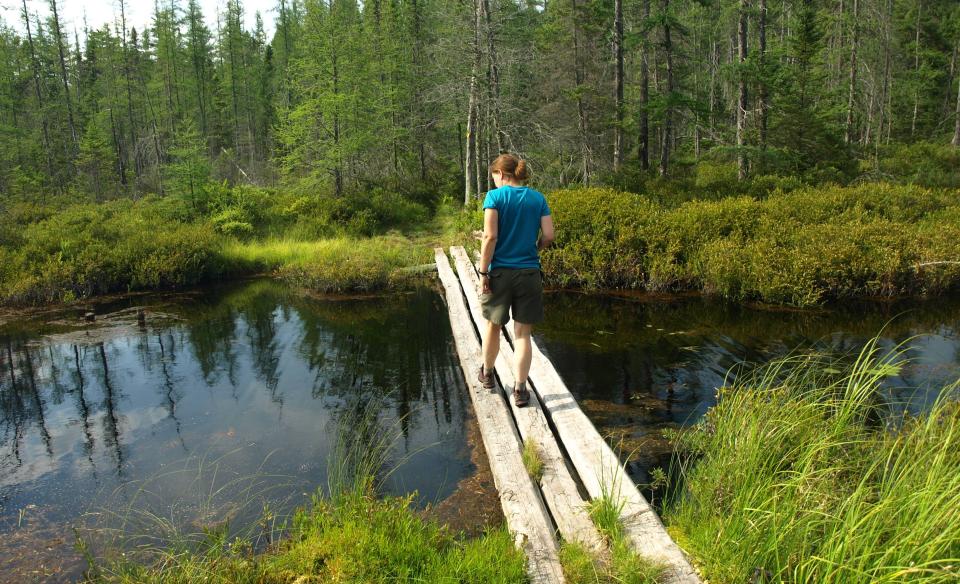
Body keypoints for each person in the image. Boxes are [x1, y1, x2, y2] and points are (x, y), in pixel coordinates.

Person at [477, 154, 554, 407]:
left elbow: (490, 237)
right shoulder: (538, 198)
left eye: (494, 177)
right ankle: (520, 390)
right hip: (529, 273)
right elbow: (549, 235)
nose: (494, 181)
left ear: (500, 173)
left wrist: (483, 273)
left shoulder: (495, 197)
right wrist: (534, 250)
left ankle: (488, 375)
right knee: (523, 334)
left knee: (493, 325)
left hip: (499, 273)